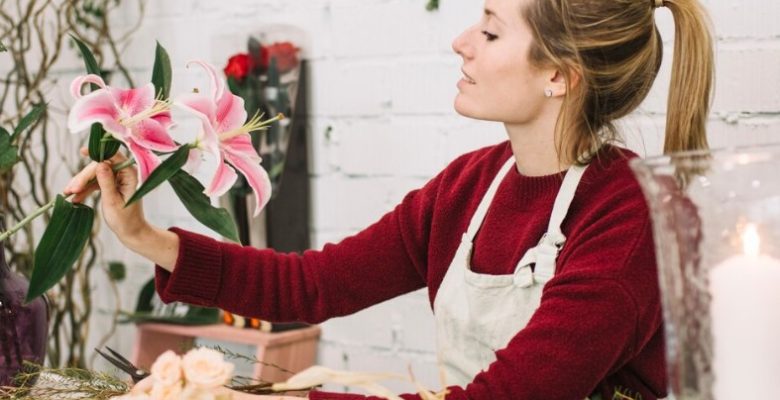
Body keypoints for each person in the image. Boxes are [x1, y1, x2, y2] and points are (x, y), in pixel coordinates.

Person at [65, 0, 714, 398]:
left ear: (559, 75)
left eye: (490, 32)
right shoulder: (472, 185)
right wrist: (144, 237)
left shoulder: (630, 215)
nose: (461, 41)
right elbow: (311, 285)